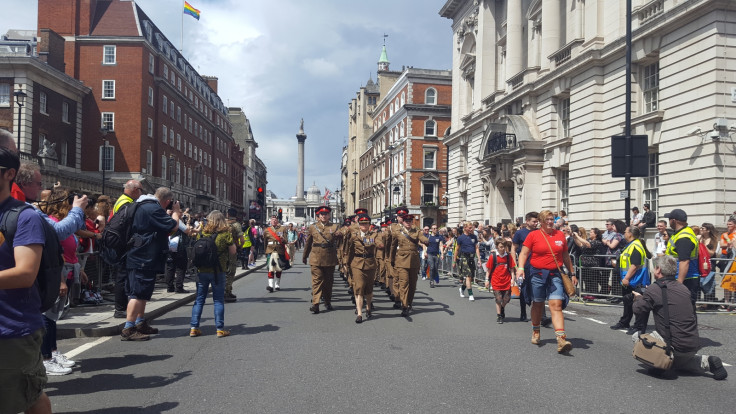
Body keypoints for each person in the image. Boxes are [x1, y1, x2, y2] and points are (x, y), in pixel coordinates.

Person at [0, 147, 54, 414]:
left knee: (27, 397)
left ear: (9, 174)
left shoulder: (24, 216)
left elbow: (25, 273)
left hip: (13, 330)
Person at [632, 255, 728, 380]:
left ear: (658, 270)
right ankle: (707, 362)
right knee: (685, 362)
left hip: (672, 345)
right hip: (691, 344)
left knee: (636, 337)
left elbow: (638, 309)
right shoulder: (684, 289)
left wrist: (638, 298)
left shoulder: (654, 289)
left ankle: (662, 364)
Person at [122, 187, 182, 341]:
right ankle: (129, 327)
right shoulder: (152, 208)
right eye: (170, 204)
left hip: (143, 256)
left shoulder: (144, 205)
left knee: (142, 292)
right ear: (167, 201)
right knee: (136, 293)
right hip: (142, 257)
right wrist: (176, 212)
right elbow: (173, 226)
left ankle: (140, 322)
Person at [516, 209, 577, 353]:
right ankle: (536, 330)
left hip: (555, 274)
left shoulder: (560, 235)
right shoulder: (533, 235)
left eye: (552, 219)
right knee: (537, 303)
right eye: (547, 220)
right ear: (541, 222)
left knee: (556, 304)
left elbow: (566, 256)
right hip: (537, 274)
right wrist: (520, 268)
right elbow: (524, 253)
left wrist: (572, 273)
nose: (550, 222)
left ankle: (561, 338)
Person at [189, 210, 235, 338]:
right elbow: (233, 251)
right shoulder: (225, 234)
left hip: (202, 271)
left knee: (199, 300)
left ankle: (194, 328)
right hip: (218, 271)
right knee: (218, 300)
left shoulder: (202, 233)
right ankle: (219, 329)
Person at [110, 180, 143, 318]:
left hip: (122, 243)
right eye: (141, 190)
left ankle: (122, 306)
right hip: (123, 244)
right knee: (122, 277)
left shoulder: (123, 200)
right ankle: (120, 308)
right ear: (135, 189)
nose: (141, 193)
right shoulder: (126, 203)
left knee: (123, 276)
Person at [610, 226, 652, 334]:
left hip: (635, 281)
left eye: (625, 232)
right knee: (627, 303)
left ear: (630, 234)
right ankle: (625, 322)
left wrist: (626, 278)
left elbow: (635, 265)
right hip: (630, 280)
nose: (624, 233)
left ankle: (638, 326)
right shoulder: (631, 245)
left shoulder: (635, 246)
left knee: (637, 304)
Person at [302, 205, 342, 314]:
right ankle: (315, 304)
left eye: (326, 214)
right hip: (316, 258)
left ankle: (327, 301)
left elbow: (340, 244)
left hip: (329, 258)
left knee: (328, 282)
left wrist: (340, 236)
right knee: (316, 281)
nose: (324, 216)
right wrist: (305, 256)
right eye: (321, 214)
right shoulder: (312, 227)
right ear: (318, 216)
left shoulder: (335, 227)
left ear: (329, 215)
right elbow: (308, 243)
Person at [390, 212, 428, 317]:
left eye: (410, 221)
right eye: (406, 221)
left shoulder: (416, 231)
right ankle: (404, 305)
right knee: (404, 284)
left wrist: (427, 241)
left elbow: (422, 237)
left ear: (412, 222)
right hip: (401, 261)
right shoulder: (398, 232)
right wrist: (392, 259)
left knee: (412, 285)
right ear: (403, 221)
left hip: (414, 262)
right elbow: (393, 247)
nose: (408, 223)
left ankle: (409, 302)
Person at [663, 209, 700, 305]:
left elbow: (684, 261)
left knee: (686, 311)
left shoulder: (683, 237)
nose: (669, 222)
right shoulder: (680, 233)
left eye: (669, 219)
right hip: (682, 278)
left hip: (686, 280)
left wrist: (679, 283)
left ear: (674, 220)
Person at [346, 214, 378, 323]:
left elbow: (378, 243)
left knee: (369, 289)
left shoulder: (374, 235)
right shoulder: (354, 236)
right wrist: (348, 263)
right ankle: (359, 313)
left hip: (370, 264)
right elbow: (350, 250)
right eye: (362, 223)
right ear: (359, 225)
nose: (364, 225)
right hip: (357, 264)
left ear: (369, 225)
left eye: (366, 223)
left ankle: (368, 307)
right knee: (359, 288)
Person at [485, 238, 515, 324]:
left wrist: (513, 279)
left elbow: (512, 268)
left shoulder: (508, 256)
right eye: (500, 247)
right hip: (496, 281)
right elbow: (489, 269)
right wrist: (487, 280)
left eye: (504, 247)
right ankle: (499, 316)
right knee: (498, 299)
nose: (502, 248)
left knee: (507, 299)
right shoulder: (493, 256)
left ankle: (502, 308)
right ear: (497, 247)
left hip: (506, 281)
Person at [453, 221, 480, 301]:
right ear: (465, 228)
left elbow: (477, 248)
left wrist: (479, 259)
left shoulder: (474, 237)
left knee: (471, 277)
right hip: (464, 258)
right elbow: (456, 250)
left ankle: (462, 289)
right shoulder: (460, 238)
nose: (471, 229)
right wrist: (454, 261)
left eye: (472, 227)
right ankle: (471, 294)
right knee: (468, 276)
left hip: (472, 258)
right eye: (470, 227)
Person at [263, 214, 288, 292]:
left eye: (275, 220)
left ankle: (277, 284)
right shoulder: (267, 230)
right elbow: (265, 242)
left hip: (279, 250)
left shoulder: (282, 229)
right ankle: (270, 285)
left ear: (277, 221)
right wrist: (265, 251)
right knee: (270, 268)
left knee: (278, 268)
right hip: (270, 250)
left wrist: (283, 239)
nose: (274, 221)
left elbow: (286, 241)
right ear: (270, 221)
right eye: (272, 219)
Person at [225, 208, 244, 302]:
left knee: (223, 270)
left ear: (227, 214)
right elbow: (242, 239)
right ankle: (227, 291)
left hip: (221, 250)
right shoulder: (236, 225)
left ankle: (224, 290)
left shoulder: (222, 223)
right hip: (232, 249)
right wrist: (239, 247)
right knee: (231, 271)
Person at [698, 223, 719, 308]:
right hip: (700, 264)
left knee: (708, 283)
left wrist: (703, 246)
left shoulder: (714, 240)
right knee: (700, 283)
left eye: (703, 228)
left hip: (709, 264)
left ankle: (710, 302)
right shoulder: (699, 238)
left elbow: (712, 253)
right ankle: (700, 301)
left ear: (708, 230)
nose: (701, 230)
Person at [425, 223, 443, 288]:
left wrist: (442, 254)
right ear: (431, 229)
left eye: (436, 228)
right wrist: (425, 252)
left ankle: (435, 276)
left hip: (436, 254)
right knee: (432, 267)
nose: (435, 229)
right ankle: (431, 281)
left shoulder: (439, 237)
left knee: (435, 268)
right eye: (434, 228)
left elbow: (441, 245)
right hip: (430, 253)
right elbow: (424, 244)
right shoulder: (428, 237)